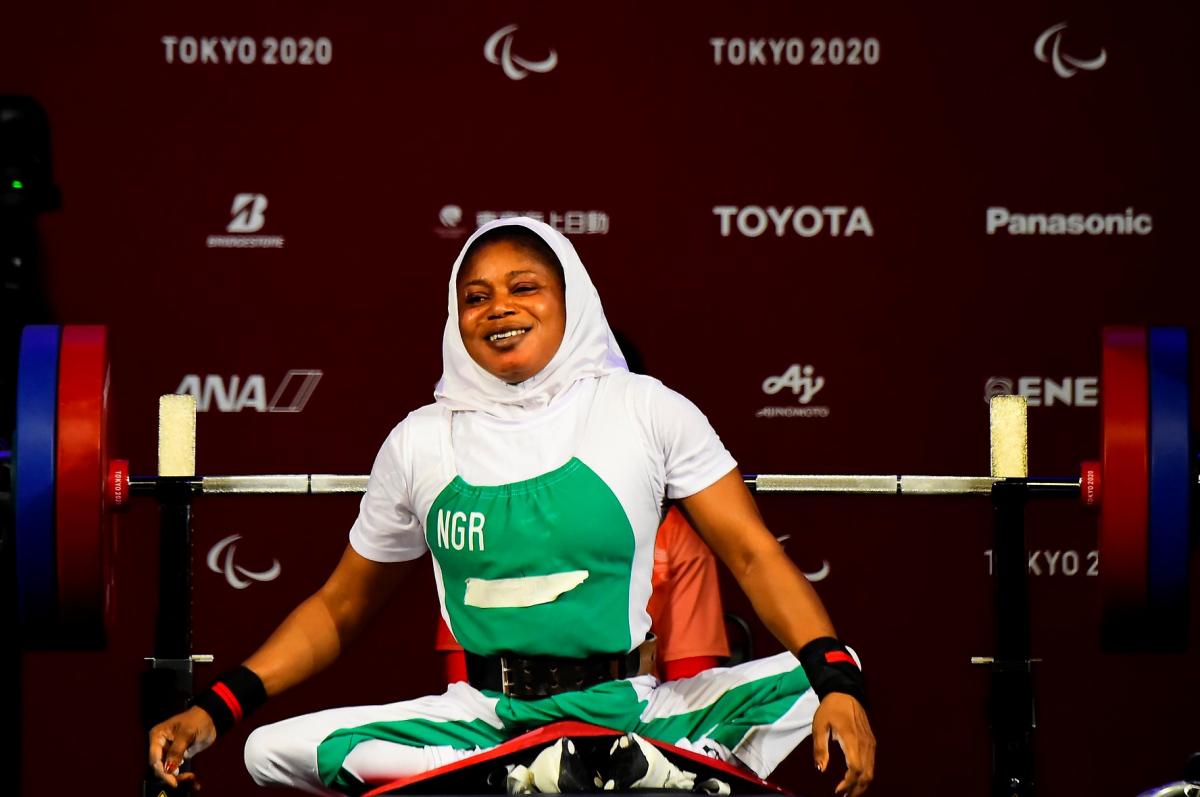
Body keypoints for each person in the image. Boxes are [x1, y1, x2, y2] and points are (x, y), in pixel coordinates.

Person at [148, 217, 875, 796]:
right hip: (486, 718)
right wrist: (216, 706)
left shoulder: (645, 409)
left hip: (634, 704)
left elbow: (752, 553)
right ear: (455, 316)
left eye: (524, 287)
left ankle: (600, 764)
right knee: (267, 750)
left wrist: (836, 681)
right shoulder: (420, 441)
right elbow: (339, 608)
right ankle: (593, 771)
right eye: (477, 295)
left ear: (571, 301)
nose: (499, 307)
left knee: (831, 674)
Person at [435, 503, 730, 684]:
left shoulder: (676, 533)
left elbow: (688, 687)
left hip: (633, 733)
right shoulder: (488, 522)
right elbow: (466, 683)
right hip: (505, 732)